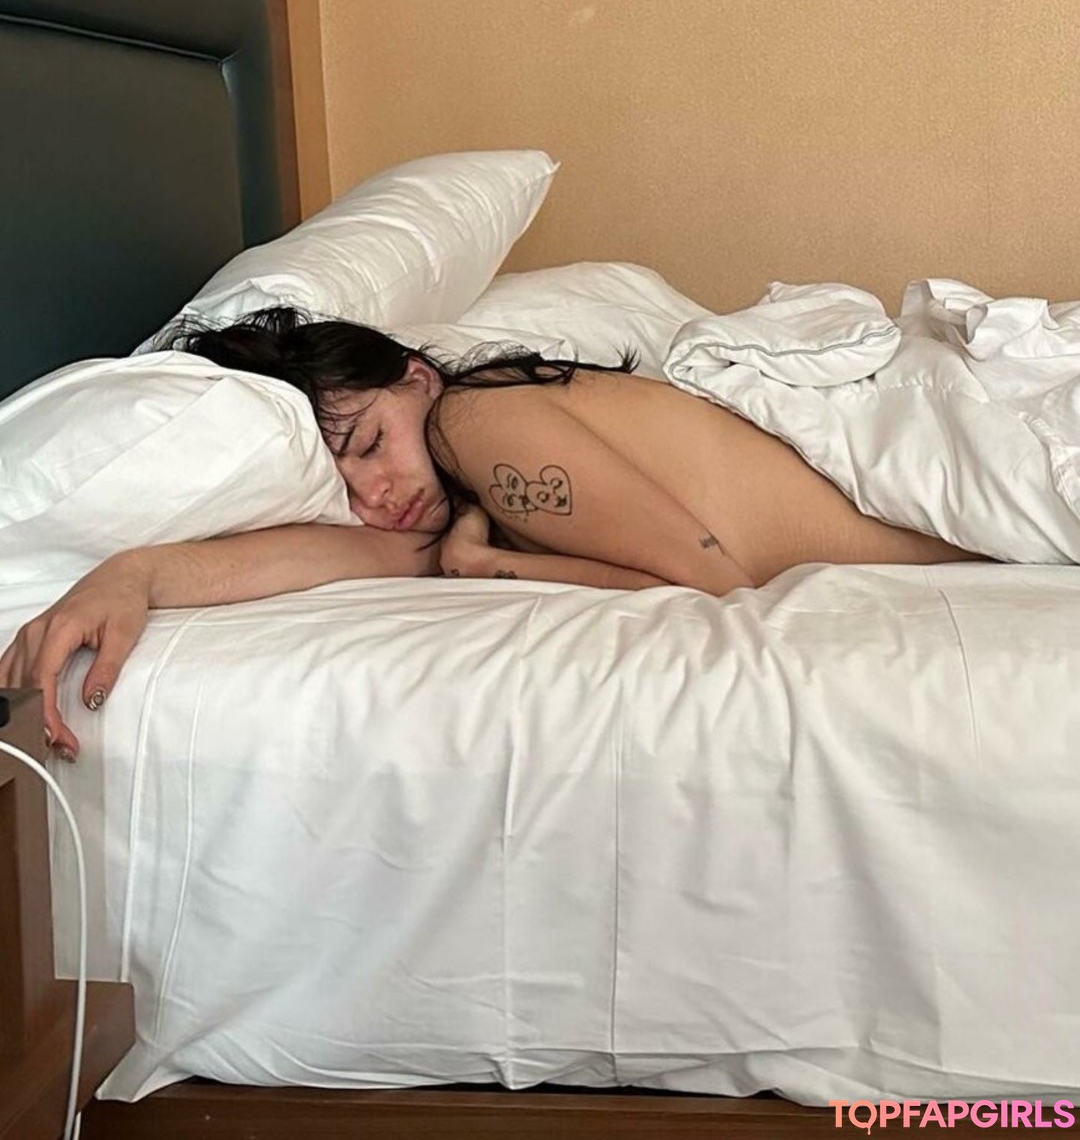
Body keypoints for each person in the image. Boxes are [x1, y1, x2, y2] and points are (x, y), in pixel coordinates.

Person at [0, 305, 984, 760]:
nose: (376, 492)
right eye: (343, 479)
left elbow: (708, 579)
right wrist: (134, 574)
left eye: (372, 442)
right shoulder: (448, 490)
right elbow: (329, 556)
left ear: (418, 377)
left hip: (943, 464)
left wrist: (491, 564)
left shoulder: (473, 422)